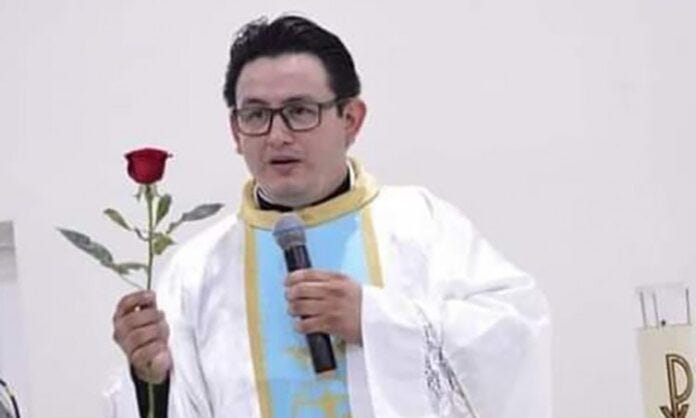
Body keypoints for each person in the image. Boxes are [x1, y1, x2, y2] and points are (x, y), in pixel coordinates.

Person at [107, 15, 551, 418]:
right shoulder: (198, 270)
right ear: (235, 131)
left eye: (300, 111)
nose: (277, 136)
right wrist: (152, 383)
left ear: (351, 119)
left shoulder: (422, 225)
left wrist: (374, 319)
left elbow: (515, 334)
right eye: (256, 115)